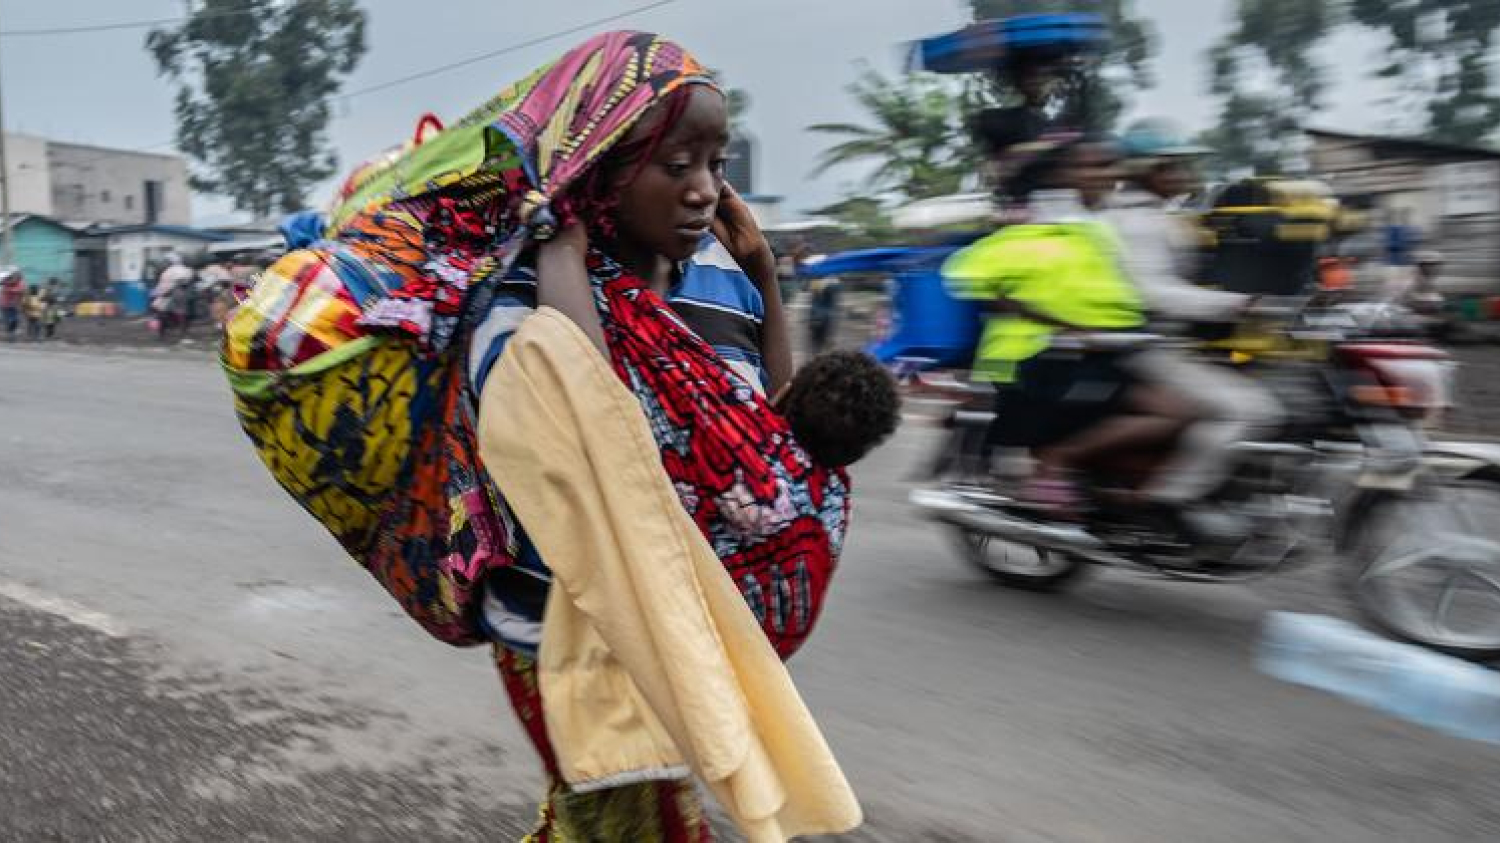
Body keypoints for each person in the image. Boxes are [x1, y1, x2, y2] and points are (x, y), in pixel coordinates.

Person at [463, 54, 895, 838]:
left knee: (602, 821)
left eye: (717, 163)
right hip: (582, 625)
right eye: (676, 163)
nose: (704, 187)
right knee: (636, 821)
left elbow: (771, 437)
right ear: (600, 170)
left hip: (691, 623)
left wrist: (763, 273)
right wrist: (561, 252)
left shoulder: (720, 283)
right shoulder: (521, 295)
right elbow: (594, 441)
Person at [945, 135, 1193, 517]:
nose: (1108, 175)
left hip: (1099, 349)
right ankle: (1054, 464)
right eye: (1095, 167)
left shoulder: (1100, 225)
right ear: (1065, 174)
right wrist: (1057, 323)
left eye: (1110, 166)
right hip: (1041, 358)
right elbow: (970, 274)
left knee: (1172, 409)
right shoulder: (1046, 224)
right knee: (1168, 411)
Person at [1108, 119, 1283, 541]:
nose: (1187, 174)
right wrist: (1237, 304)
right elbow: (1155, 294)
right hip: (1147, 344)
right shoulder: (1134, 223)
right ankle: (1170, 499)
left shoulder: (1163, 215)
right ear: (1150, 170)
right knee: (1250, 410)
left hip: (1177, 339)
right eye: (1177, 165)